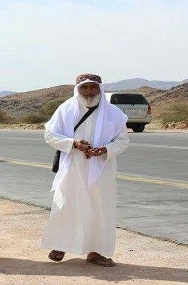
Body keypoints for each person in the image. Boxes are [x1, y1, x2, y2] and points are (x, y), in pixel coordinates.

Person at [41, 73, 129, 267]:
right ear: (78, 89)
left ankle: (96, 252)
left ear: (100, 88)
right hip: (72, 167)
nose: (89, 92)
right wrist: (73, 143)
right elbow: (50, 135)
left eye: (93, 87)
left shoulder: (114, 113)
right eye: (84, 88)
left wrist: (105, 149)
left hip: (102, 169)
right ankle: (60, 244)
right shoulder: (65, 109)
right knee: (66, 205)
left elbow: (123, 140)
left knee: (100, 209)